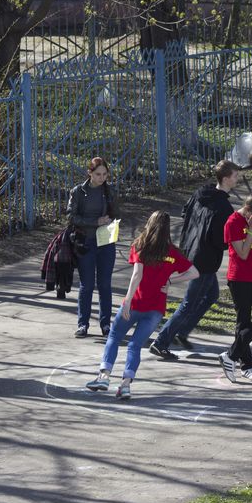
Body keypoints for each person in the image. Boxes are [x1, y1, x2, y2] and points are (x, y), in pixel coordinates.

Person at [85, 211, 198, 399]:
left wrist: (127, 301)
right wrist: (171, 281)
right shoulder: (172, 252)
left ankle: (104, 376)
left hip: (137, 302)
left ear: (149, 225)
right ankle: (126, 385)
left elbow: (137, 275)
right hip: (155, 308)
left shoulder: (140, 245)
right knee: (135, 345)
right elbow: (194, 272)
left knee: (114, 336)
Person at [149, 160, 240, 360]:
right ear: (225, 179)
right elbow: (220, 240)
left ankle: (182, 332)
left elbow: (184, 213)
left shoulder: (200, 194)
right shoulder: (224, 208)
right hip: (205, 259)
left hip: (191, 250)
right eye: (235, 176)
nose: (237, 178)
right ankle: (161, 341)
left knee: (211, 295)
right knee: (189, 303)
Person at [218, 195, 252, 383]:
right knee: (243, 321)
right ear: (248, 211)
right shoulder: (232, 222)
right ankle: (247, 366)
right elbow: (242, 253)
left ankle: (230, 355)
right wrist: (251, 230)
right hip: (240, 277)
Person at [68, 157, 120, 339]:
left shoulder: (109, 191)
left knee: (105, 284)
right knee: (87, 285)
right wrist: (94, 222)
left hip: (106, 242)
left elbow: (116, 213)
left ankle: (106, 324)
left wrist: (112, 222)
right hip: (85, 243)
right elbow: (71, 217)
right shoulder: (78, 192)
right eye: (98, 174)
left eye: (105, 174)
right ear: (89, 173)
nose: (102, 178)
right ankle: (83, 324)